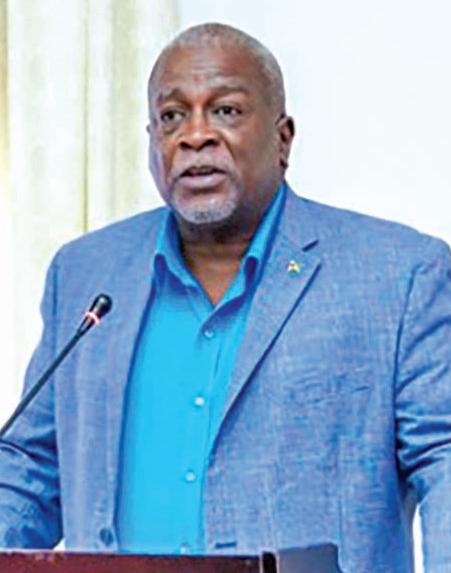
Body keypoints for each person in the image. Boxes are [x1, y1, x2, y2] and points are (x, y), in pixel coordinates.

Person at [0, 22, 450, 573]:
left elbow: (444, 457)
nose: (195, 136)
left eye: (226, 111)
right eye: (172, 116)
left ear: (283, 139)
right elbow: (31, 467)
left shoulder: (397, 275)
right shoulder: (86, 272)